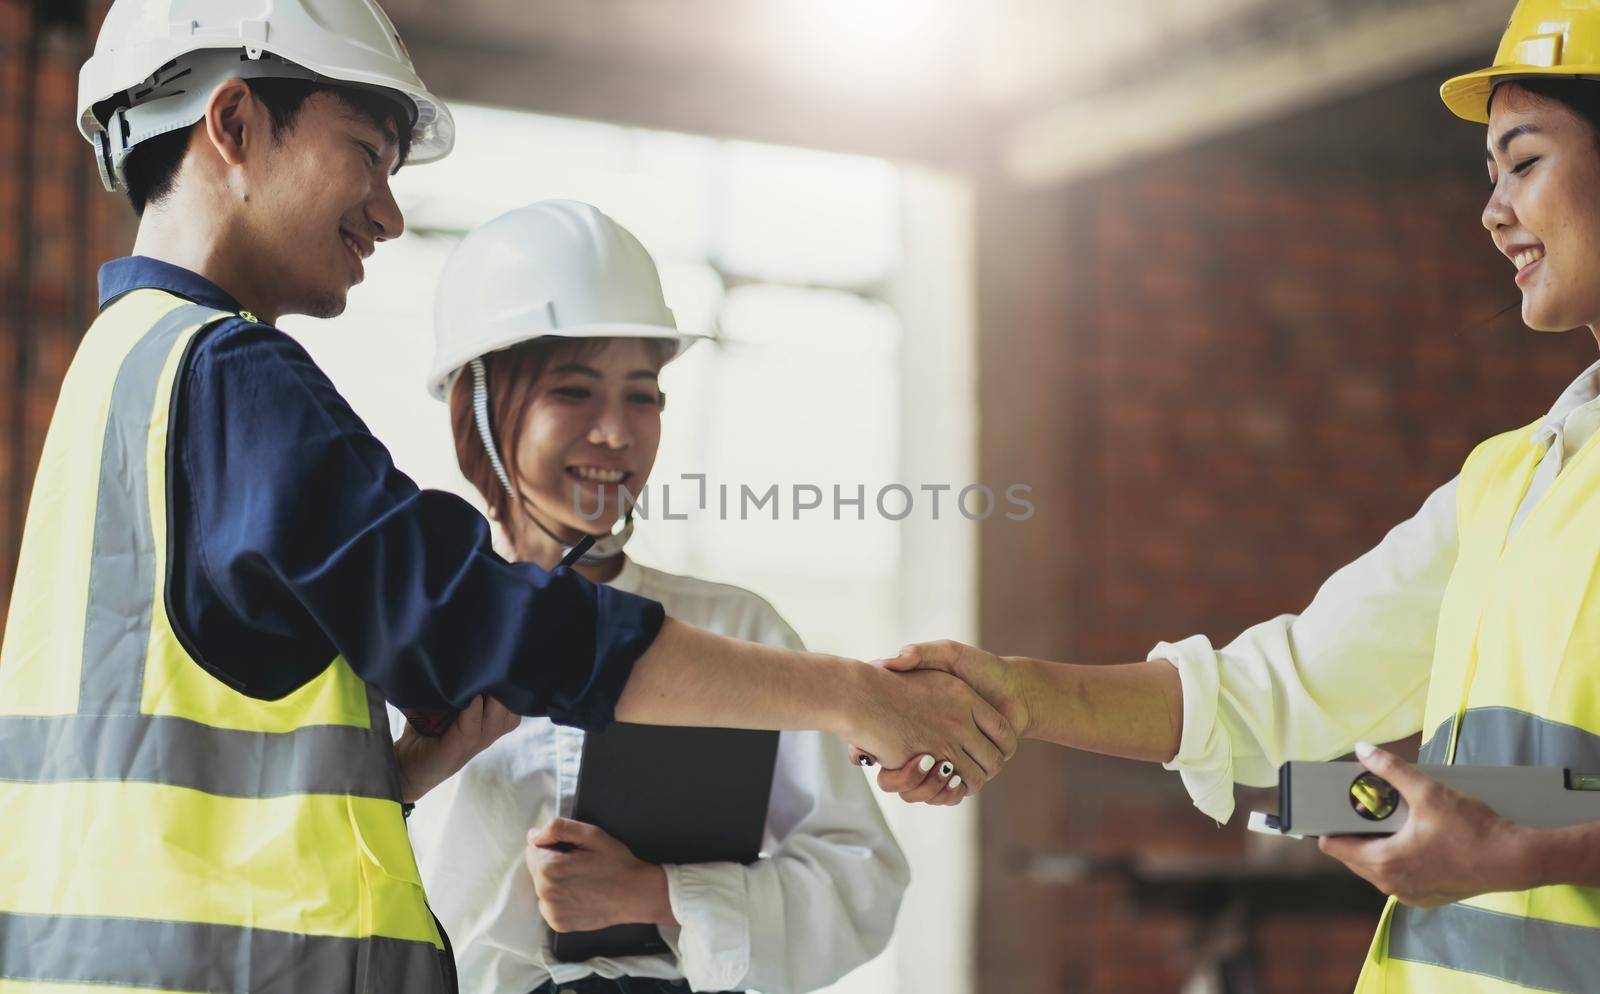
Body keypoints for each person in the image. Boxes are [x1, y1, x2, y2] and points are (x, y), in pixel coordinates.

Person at [0, 3, 1010, 992]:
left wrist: (409, 780)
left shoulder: (122, 372)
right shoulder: (229, 377)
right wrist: (854, 695)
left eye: (643, 392)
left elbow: (193, 801)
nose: (390, 214)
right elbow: (478, 619)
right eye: (366, 151)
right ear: (233, 124)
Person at [870, 1, 1600, 990]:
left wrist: (1523, 857)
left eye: (1523, 163)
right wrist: (1010, 692)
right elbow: (1278, 686)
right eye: (1487, 176)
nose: (1492, 210)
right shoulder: (1507, 480)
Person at [405, 200, 910, 994]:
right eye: (573, 391)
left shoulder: (731, 630)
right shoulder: (409, 627)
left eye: (643, 396)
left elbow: (863, 879)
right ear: (480, 405)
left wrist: (664, 895)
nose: (617, 432)